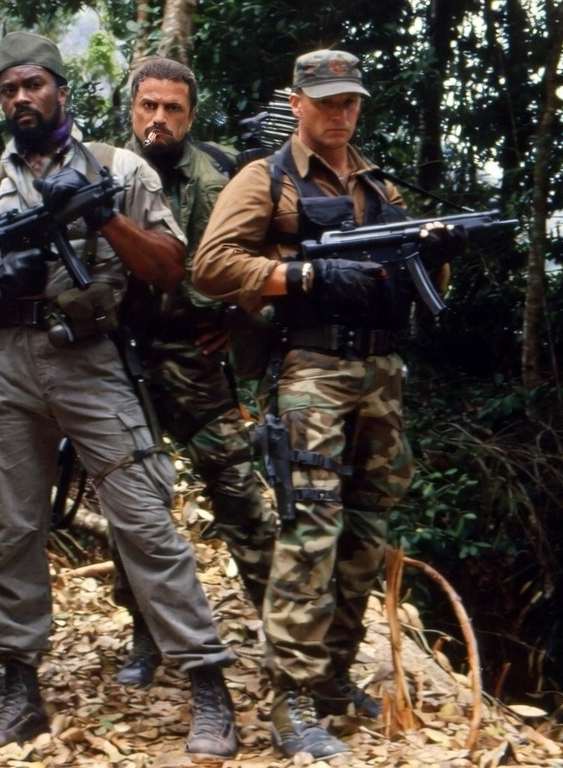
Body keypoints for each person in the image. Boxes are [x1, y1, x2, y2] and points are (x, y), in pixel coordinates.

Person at [0, 31, 239, 758]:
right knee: (11, 525)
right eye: (9, 89)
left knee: (144, 521)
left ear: (61, 91)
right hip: (6, 358)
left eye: (33, 85)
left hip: (91, 356)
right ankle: (19, 689)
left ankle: (206, 681)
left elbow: (169, 266)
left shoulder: (119, 169)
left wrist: (102, 215)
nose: (21, 99)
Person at [192, 50, 464, 760]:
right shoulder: (266, 178)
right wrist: (306, 275)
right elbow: (211, 266)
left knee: (366, 531)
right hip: (312, 368)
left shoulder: (380, 186)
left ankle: (335, 678)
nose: (341, 114)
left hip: (381, 372)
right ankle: (291, 700)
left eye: (351, 102)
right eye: (327, 101)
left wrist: (439, 250)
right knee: (310, 529)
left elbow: (421, 284)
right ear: (298, 102)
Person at [111, 57, 277, 689]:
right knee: (135, 505)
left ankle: (286, 641)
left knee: (240, 494)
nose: (159, 118)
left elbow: (261, 257)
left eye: (172, 108)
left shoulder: (225, 173)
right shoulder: (101, 169)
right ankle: (145, 635)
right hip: (119, 361)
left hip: (197, 361)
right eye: (148, 106)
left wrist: (237, 321)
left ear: (190, 114)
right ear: (132, 109)